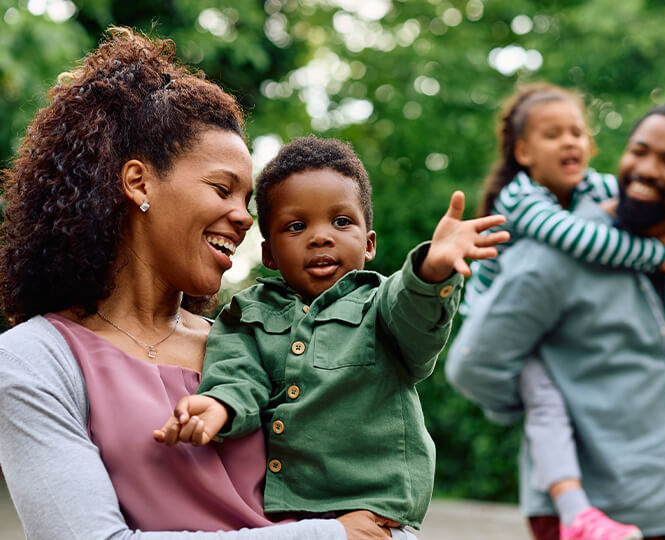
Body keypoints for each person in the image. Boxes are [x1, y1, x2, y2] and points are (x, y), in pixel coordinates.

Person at [0, 27, 411, 539]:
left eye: (248, 203)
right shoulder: (33, 360)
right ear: (138, 182)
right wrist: (328, 536)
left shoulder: (256, 340)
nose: (242, 218)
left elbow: (379, 508)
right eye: (222, 189)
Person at [154, 135, 510, 530]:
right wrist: (220, 405)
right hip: (289, 517)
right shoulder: (247, 313)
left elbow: (416, 317)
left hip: (376, 515)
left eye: (341, 222)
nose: (321, 236)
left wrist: (431, 270)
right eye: (296, 226)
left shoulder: (380, 304)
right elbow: (239, 373)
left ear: (369, 243)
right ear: (269, 253)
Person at [459, 83, 665, 539]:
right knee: (545, 395)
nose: (646, 168)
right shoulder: (553, 251)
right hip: (584, 515)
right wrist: (551, 404)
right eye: (639, 150)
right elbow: (472, 367)